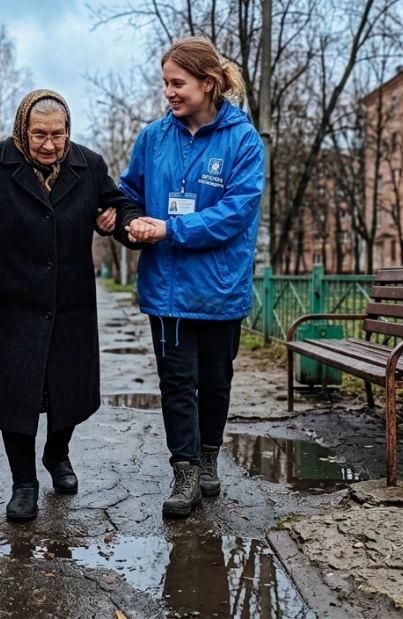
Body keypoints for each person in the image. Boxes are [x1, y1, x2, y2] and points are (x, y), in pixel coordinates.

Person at [0, 90, 142, 522]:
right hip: (12, 301)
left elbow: (120, 206)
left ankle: (57, 454)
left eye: (59, 134)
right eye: (40, 134)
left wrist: (121, 222)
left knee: (67, 390)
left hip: (70, 301)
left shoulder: (88, 165)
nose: (51, 144)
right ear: (23, 129)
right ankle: (23, 482)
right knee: (16, 394)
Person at [120, 37, 265, 518]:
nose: (168, 92)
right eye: (165, 83)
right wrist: (126, 222)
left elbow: (235, 214)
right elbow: (129, 193)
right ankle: (183, 473)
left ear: (208, 84)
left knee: (215, 382)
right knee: (176, 384)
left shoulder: (243, 140)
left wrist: (168, 227)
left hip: (220, 288)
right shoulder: (153, 138)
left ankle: (208, 461)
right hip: (166, 288)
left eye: (177, 83)